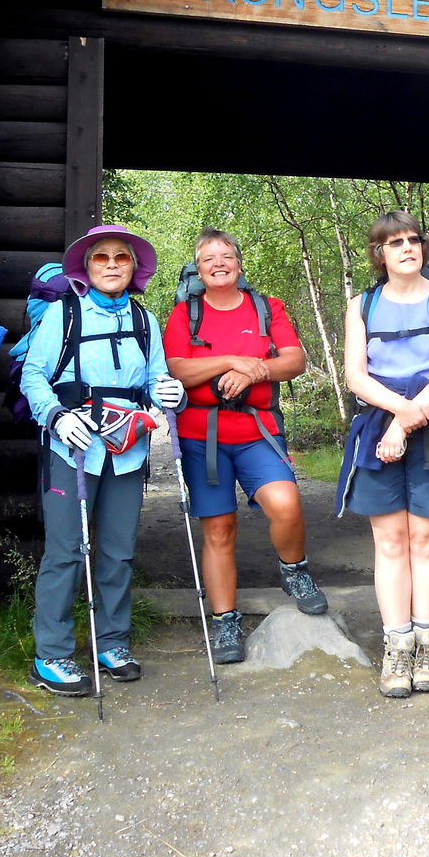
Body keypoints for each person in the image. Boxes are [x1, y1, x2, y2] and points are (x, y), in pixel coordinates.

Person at [20, 225, 184, 695]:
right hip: (71, 447)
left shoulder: (143, 318)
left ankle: (111, 642)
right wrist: (53, 415)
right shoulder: (62, 314)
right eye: (101, 258)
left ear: (135, 268)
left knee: (118, 550)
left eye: (121, 257)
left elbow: (155, 378)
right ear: (86, 267)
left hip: (127, 451)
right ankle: (51, 655)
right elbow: (34, 374)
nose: (112, 264)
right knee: (66, 551)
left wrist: (166, 391)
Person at [163, 229, 325, 665]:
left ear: (239, 262)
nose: (218, 263)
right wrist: (234, 361)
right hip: (202, 436)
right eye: (208, 258)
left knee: (286, 503)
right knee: (219, 530)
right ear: (198, 270)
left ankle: (294, 571)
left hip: (258, 430)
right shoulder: (184, 314)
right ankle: (226, 621)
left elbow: (294, 360)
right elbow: (177, 368)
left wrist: (254, 374)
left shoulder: (267, 307)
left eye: (226, 256)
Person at [338, 212, 429, 697]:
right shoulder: (361, 305)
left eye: (414, 240)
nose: (407, 248)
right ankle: (396, 648)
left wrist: (404, 422)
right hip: (378, 423)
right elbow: (356, 376)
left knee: (424, 540)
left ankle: (427, 645)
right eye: (394, 242)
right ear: (379, 253)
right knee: (390, 543)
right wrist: (397, 415)